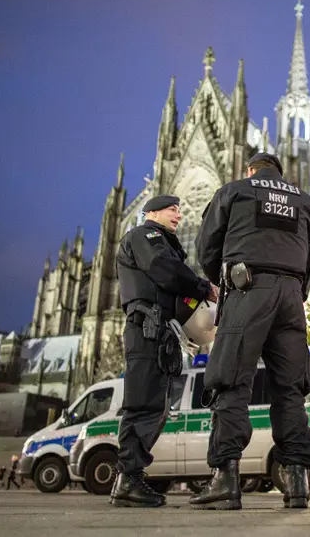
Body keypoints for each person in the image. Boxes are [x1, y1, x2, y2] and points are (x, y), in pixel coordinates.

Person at [191, 152, 310, 510]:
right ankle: (297, 482)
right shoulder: (306, 202)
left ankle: (225, 479)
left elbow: (207, 246)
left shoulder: (234, 191)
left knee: (231, 381)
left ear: (251, 170)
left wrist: (224, 279)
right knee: (291, 388)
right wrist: (297, 287)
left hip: (247, 288)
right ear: (280, 172)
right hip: (291, 296)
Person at [111, 194, 218, 508]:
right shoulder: (144, 236)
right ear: (152, 212)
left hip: (161, 331)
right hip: (147, 329)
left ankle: (131, 478)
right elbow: (164, 270)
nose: (179, 215)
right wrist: (203, 287)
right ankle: (127, 481)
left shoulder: (161, 242)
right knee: (144, 403)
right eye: (172, 209)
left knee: (156, 405)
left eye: (179, 210)